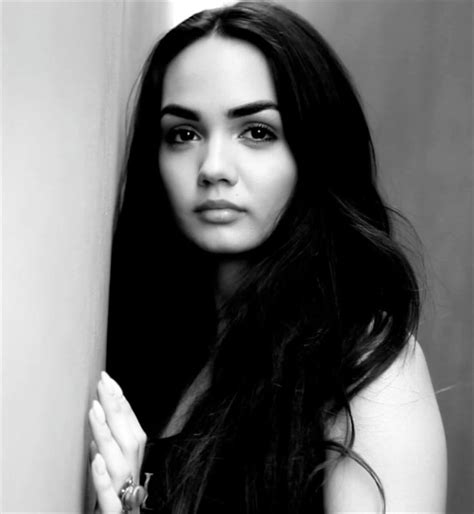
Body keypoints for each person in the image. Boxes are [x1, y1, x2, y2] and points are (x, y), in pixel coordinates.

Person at [88, 2, 447, 513]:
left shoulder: (364, 362)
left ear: (313, 152)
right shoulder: (149, 352)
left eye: (257, 132)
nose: (213, 167)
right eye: (183, 134)